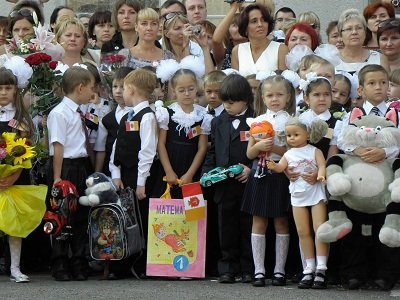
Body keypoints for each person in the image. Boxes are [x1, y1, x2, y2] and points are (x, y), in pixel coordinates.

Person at [241, 73, 297, 287]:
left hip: (280, 174)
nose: (275, 99)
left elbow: (293, 150)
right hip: (260, 174)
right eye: (270, 95)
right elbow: (249, 154)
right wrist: (257, 147)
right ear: (262, 97)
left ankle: (280, 270)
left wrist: (273, 147)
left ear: (288, 97)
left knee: (281, 220)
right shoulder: (256, 122)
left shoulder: (291, 122)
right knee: (259, 221)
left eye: (279, 95)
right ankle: (259, 270)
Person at [202, 74, 254, 284]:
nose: (228, 107)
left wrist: (251, 169)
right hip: (223, 184)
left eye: (232, 103)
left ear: (246, 100)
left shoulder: (256, 120)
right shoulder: (218, 122)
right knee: (226, 226)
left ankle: (249, 267)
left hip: (247, 182)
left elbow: (264, 153)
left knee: (248, 226)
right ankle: (227, 267)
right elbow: (212, 151)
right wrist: (207, 172)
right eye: (225, 103)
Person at [267, 116, 329, 289]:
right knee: (302, 231)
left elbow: (322, 165)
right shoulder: (288, 154)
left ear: (308, 135)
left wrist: (320, 175)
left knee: (320, 229)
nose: (291, 138)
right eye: (288, 135)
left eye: (296, 134)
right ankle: (309, 268)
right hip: (298, 194)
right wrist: (274, 166)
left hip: (316, 191)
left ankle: (321, 268)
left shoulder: (314, 150)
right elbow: (281, 167)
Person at [46, 66, 96, 281]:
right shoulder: (59, 113)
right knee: (62, 214)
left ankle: (78, 260)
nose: (92, 93)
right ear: (80, 87)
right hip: (64, 166)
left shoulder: (79, 111)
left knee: (80, 214)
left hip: (81, 165)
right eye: (90, 88)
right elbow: (58, 145)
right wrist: (58, 178)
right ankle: (59, 263)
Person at [109, 68, 158, 277]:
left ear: (131, 90)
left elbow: (147, 152)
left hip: (140, 178)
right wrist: (115, 173)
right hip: (124, 177)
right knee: (124, 219)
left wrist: (141, 183)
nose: (121, 93)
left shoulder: (147, 117)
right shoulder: (126, 116)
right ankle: (121, 262)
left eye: (124, 89)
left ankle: (140, 263)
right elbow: (116, 147)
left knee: (140, 219)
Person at [0, 67, 46, 283]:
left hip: (15, 178)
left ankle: (15, 268)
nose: (3, 93)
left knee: (14, 225)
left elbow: (25, 150)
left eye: (7, 88)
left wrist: (13, 174)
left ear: (16, 90)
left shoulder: (21, 118)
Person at [155, 68, 210, 199]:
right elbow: (161, 144)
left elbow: (202, 148)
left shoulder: (203, 116)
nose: (187, 93)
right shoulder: (166, 113)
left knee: (191, 210)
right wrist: (168, 171)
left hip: (192, 167)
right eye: (181, 90)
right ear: (174, 91)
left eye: (191, 89)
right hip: (169, 165)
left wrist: (190, 174)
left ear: (197, 88)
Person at [94, 67, 133, 176]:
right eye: (115, 86)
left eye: (123, 87)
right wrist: (97, 173)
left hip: (134, 171)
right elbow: (101, 149)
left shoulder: (141, 115)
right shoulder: (107, 119)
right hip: (110, 172)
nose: (118, 91)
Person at [231, 4, 288, 76]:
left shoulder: (281, 49)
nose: (260, 24)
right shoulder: (237, 50)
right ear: (245, 27)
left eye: (264, 20)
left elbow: (283, 83)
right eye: (254, 21)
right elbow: (235, 83)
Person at [335, 9, 389, 75]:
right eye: (349, 29)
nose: (354, 32)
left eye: (359, 28)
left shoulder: (379, 59)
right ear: (340, 34)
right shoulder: (332, 59)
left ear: (365, 32)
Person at [212, 1, 247, 69]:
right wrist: (233, 8)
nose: (240, 27)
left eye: (243, 24)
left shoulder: (255, 50)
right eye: (235, 25)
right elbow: (216, 40)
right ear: (228, 33)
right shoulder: (224, 54)